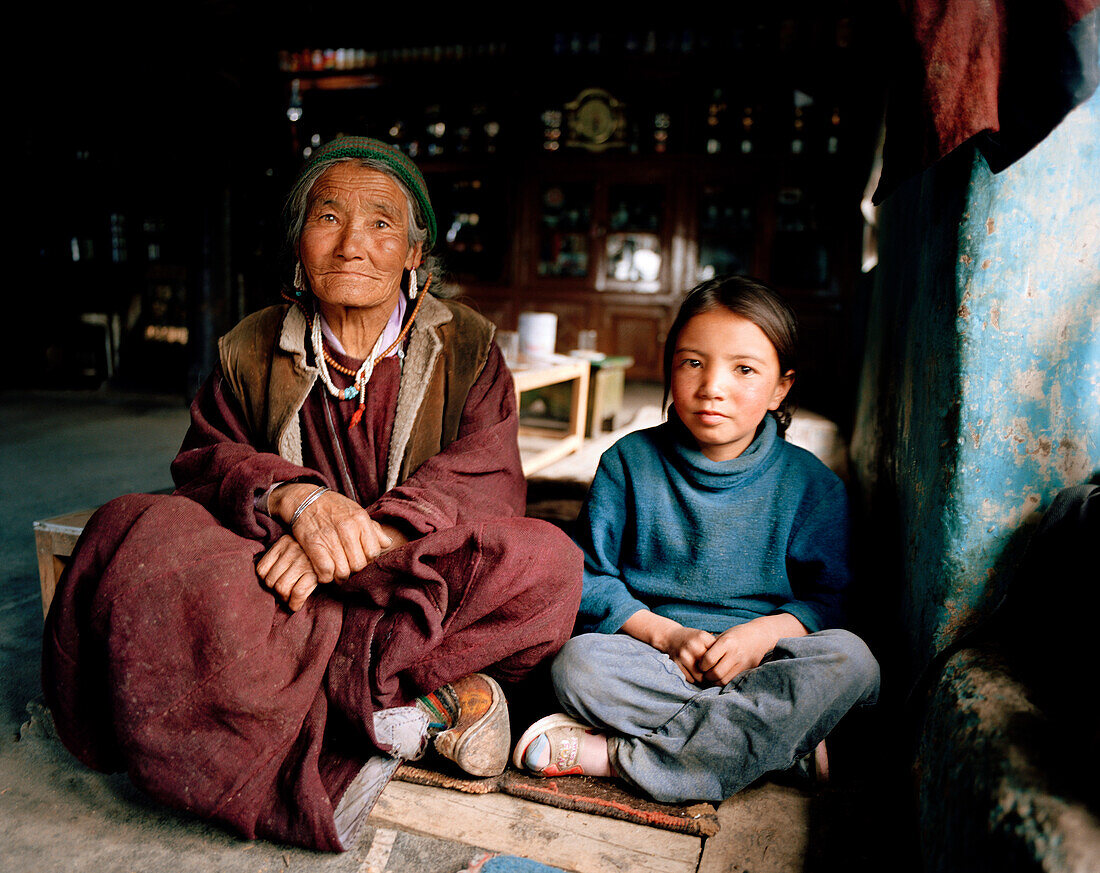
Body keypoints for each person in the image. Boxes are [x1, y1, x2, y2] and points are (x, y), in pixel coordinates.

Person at [42, 136, 583, 852]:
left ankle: (298, 688)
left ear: (415, 253)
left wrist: (375, 534)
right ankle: (402, 697)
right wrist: (296, 502)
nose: (354, 243)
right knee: (132, 529)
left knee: (548, 564)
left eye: (382, 223)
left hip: (407, 573)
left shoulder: (469, 346)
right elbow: (207, 458)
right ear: (299, 241)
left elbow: (487, 476)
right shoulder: (249, 345)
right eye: (329, 217)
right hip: (280, 580)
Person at [512, 275, 879, 802]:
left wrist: (761, 638)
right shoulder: (629, 464)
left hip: (765, 664)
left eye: (744, 370)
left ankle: (616, 758)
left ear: (782, 387)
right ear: (670, 367)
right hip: (658, 662)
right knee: (577, 666)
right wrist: (667, 636)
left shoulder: (811, 485)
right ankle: (773, 748)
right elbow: (590, 578)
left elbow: (832, 598)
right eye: (692, 362)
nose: (712, 386)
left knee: (854, 663)